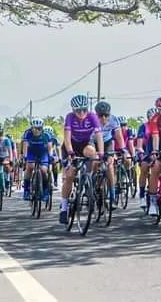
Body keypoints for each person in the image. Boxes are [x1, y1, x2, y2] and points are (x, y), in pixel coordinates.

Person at [60, 94, 103, 224]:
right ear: (73, 110)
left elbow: (99, 136)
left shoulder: (92, 117)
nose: (82, 113)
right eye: (78, 111)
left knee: (92, 154)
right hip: (71, 146)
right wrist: (71, 153)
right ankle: (64, 207)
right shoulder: (69, 117)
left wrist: (101, 153)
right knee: (70, 175)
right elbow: (67, 139)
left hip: (85, 144)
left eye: (84, 109)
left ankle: (88, 179)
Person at [21, 119, 55, 201]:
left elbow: (50, 148)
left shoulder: (47, 134)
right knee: (29, 167)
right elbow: (25, 145)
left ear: (42, 128)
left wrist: (50, 157)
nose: (36, 130)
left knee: (44, 170)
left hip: (43, 152)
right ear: (31, 128)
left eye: (39, 128)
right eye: (34, 128)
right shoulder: (27, 133)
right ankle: (26, 190)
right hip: (31, 152)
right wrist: (25, 157)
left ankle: (46, 190)